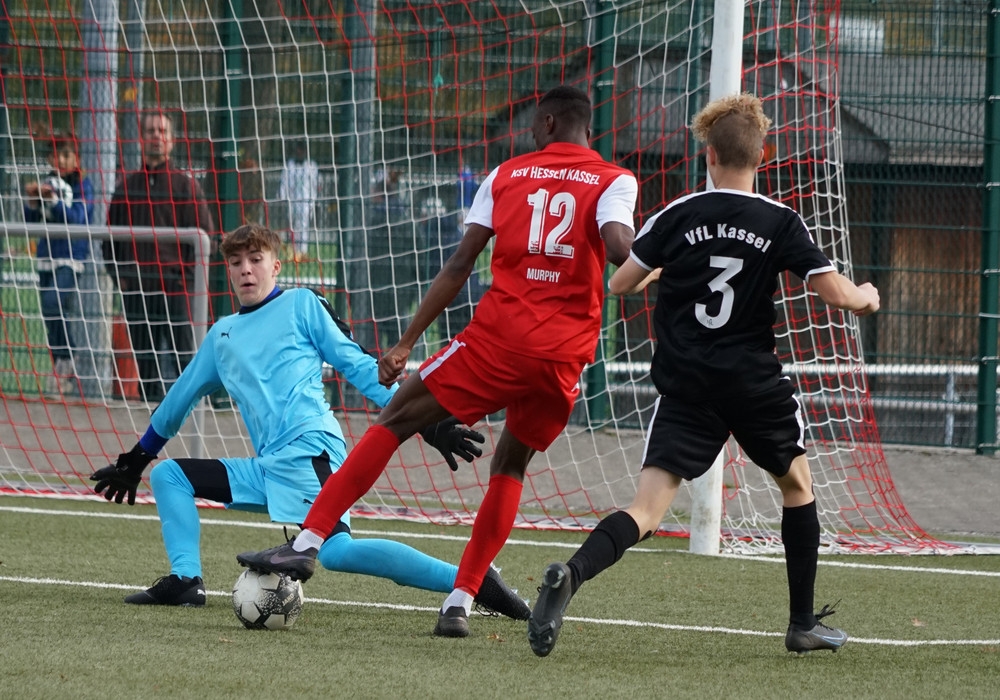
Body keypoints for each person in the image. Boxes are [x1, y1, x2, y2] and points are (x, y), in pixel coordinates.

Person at [235, 85, 639, 638]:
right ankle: (459, 602)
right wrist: (663, 263)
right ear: (587, 129)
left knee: (396, 418)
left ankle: (306, 543)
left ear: (547, 123)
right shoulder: (616, 179)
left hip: (499, 341)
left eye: (532, 125)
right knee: (510, 465)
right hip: (562, 358)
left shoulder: (506, 175)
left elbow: (459, 265)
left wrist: (405, 343)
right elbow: (619, 250)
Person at [526, 93, 881, 658]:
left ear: (709, 155)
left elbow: (619, 284)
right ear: (761, 156)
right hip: (752, 383)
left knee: (646, 509)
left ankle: (571, 574)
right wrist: (866, 296)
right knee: (797, 487)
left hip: (687, 383)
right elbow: (835, 294)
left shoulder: (678, 214)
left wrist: (664, 267)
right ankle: (801, 623)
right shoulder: (780, 220)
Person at [89, 223, 528, 620]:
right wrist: (137, 459)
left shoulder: (301, 304)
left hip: (309, 451)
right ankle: (186, 581)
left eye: (255, 259)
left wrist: (429, 423)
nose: (246, 269)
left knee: (335, 551)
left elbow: (359, 366)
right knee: (169, 476)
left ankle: (472, 581)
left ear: (276, 266)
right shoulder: (221, 335)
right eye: (236, 262)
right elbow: (177, 401)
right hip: (267, 467)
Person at [107, 111, 217, 403]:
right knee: (147, 367)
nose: (156, 136)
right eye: (151, 131)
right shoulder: (126, 189)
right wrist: (123, 279)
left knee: (186, 360)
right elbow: (109, 241)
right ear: (142, 138)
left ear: (172, 140)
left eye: (162, 131)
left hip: (176, 289)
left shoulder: (186, 187)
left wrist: (186, 279)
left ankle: (194, 415)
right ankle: (152, 420)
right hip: (138, 289)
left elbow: (206, 237)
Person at [23, 131, 107, 399]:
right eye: (55, 154)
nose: (60, 159)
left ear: (76, 158)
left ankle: (69, 360)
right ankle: (61, 368)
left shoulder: (83, 185)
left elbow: (78, 218)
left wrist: (54, 201)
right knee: (50, 314)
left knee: (54, 302)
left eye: (66, 154)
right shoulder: (47, 183)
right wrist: (33, 202)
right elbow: (31, 221)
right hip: (46, 257)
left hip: (71, 257)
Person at [278, 142, 319, 261]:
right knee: (293, 226)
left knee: (304, 226)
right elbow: (284, 182)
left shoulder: (312, 165)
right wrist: (283, 197)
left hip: (306, 201)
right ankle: (294, 251)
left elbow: (314, 184)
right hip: (292, 200)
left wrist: (313, 200)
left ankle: (303, 251)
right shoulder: (290, 165)